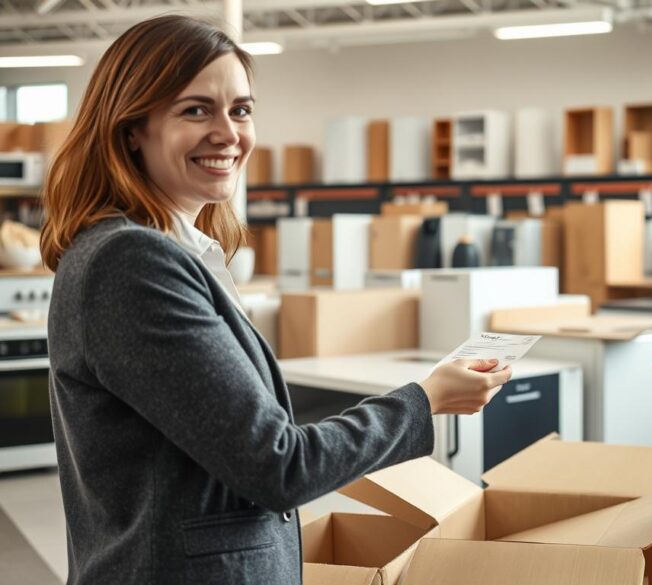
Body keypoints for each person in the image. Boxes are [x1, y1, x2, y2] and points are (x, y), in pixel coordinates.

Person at [41, 15, 511, 585]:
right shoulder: (131, 265)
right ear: (132, 127)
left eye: (240, 110)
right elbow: (278, 465)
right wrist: (426, 399)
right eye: (196, 110)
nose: (228, 133)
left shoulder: (169, 252)